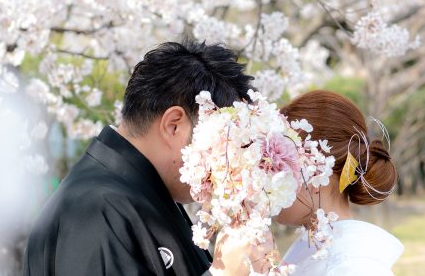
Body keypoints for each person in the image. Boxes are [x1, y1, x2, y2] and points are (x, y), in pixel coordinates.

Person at [22, 41, 258, 276]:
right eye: (222, 144)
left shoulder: (133, 196)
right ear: (174, 126)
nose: (225, 165)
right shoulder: (98, 208)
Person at [276, 90, 404, 276]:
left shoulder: (354, 266)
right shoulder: (324, 251)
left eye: (281, 163)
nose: (268, 177)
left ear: (315, 170)